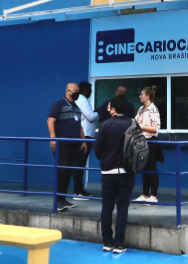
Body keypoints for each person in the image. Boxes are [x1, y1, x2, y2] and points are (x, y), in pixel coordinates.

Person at [94, 96, 135, 254]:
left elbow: (97, 148)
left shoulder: (105, 125)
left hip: (108, 171)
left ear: (113, 109)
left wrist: (105, 159)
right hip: (126, 171)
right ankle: (119, 244)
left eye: (109, 107)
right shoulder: (132, 124)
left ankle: (107, 242)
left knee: (107, 206)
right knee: (123, 207)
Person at [47, 82, 87, 211]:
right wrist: (53, 138)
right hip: (62, 144)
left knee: (69, 172)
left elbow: (79, 125)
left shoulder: (76, 107)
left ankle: (63, 198)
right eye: (75, 91)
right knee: (62, 171)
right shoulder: (59, 104)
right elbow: (50, 120)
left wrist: (83, 140)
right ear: (68, 91)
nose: (77, 93)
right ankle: (58, 201)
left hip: (74, 144)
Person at [134, 86, 162, 204]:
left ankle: (153, 196)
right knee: (144, 167)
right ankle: (145, 194)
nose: (140, 96)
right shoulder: (141, 109)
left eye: (142, 94)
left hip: (150, 141)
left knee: (151, 167)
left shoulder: (153, 109)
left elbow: (155, 129)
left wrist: (141, 127)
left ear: (148, 96)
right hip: (140, 141)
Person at [73, 81, 97, 200]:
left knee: (81, 163)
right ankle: (77, 192)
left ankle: (80, 190)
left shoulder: (81, 100)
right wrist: (98, 112)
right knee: (80, 163)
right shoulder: (82, 100)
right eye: (90, 90)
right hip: (85, 136)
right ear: (86, 90)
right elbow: (91, 117)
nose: (91, 92)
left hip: (86, 135)